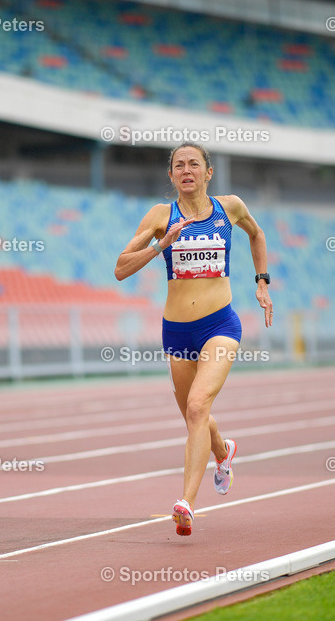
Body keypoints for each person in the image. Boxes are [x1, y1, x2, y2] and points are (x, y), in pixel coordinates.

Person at [115, 143, 274, 536]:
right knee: (192, 412)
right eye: (179, 166)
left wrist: (262, 282)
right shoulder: (159, 215)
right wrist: (159, 246)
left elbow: (257, 235)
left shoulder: (230, 208)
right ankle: (223, 452)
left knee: (199, 406)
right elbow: (120, 268)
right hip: (177, 331)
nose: (187, 170)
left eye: (194, 164)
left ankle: (185, 502)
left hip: (220, 324)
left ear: (208, 172)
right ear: (171, 176)